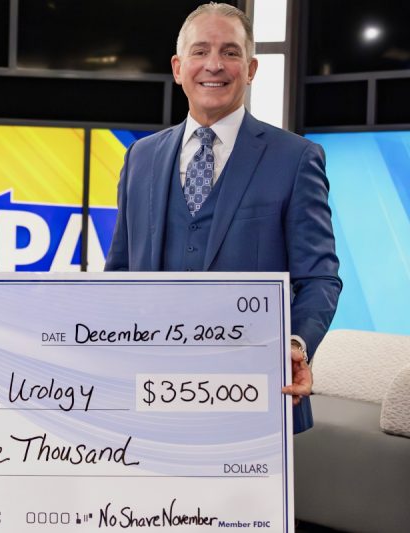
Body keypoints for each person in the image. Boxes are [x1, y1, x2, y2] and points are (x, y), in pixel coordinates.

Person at [105, 3, 341, 433]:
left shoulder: (296, 158)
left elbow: (320, 277)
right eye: (200, 51)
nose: (214, 64)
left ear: (250, 69)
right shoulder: (140, 157)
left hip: (256, 394)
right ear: (178, 67)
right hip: (149, 395)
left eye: (231, 52)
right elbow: (119, 273)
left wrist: (296, 345)